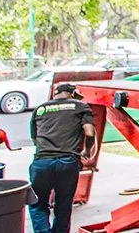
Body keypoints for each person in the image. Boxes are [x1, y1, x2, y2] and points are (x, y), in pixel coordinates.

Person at [28, 83, 96, 233]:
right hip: (67, 162)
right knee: (63, 204)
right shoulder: (80, 106)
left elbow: (34, 139)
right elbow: (90, 133)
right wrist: (87, 151)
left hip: (42, 162)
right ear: (73, 93)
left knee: (38, 204)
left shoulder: (40, 109)